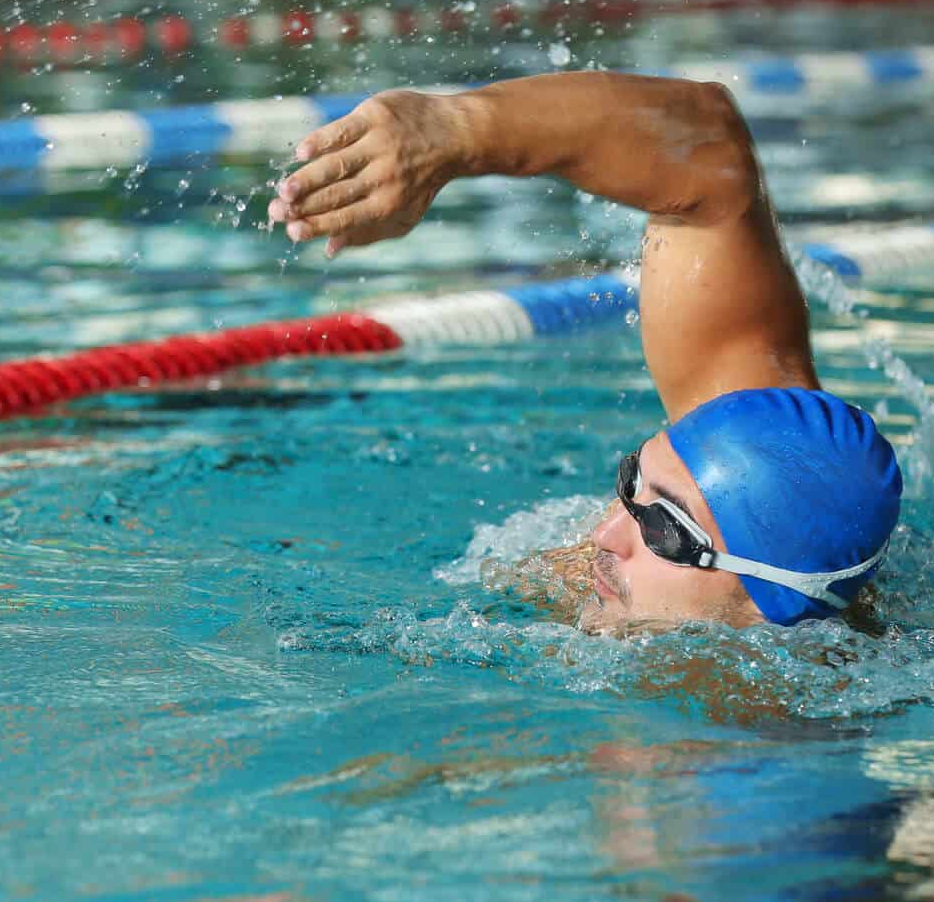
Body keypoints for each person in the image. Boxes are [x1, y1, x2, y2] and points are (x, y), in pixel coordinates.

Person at [269, 72, 902, 631]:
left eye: (664, 529)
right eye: (632, 484)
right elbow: (709, 149)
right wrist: (453, 130)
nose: (603, 536)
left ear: (775, 609)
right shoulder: (750, 449)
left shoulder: (769, 742)